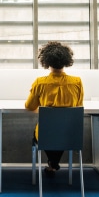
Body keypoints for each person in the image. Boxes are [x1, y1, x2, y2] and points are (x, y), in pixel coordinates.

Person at [25, 41, 84, 176]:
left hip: (46, 135)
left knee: (46, 132)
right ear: (66, 60)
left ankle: (52, 163)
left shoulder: (40, 82)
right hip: (70, 135)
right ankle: (53, 164)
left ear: (46, 61)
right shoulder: (77, 82)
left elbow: (29, 106)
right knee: (60, 132)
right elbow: (78, 105)